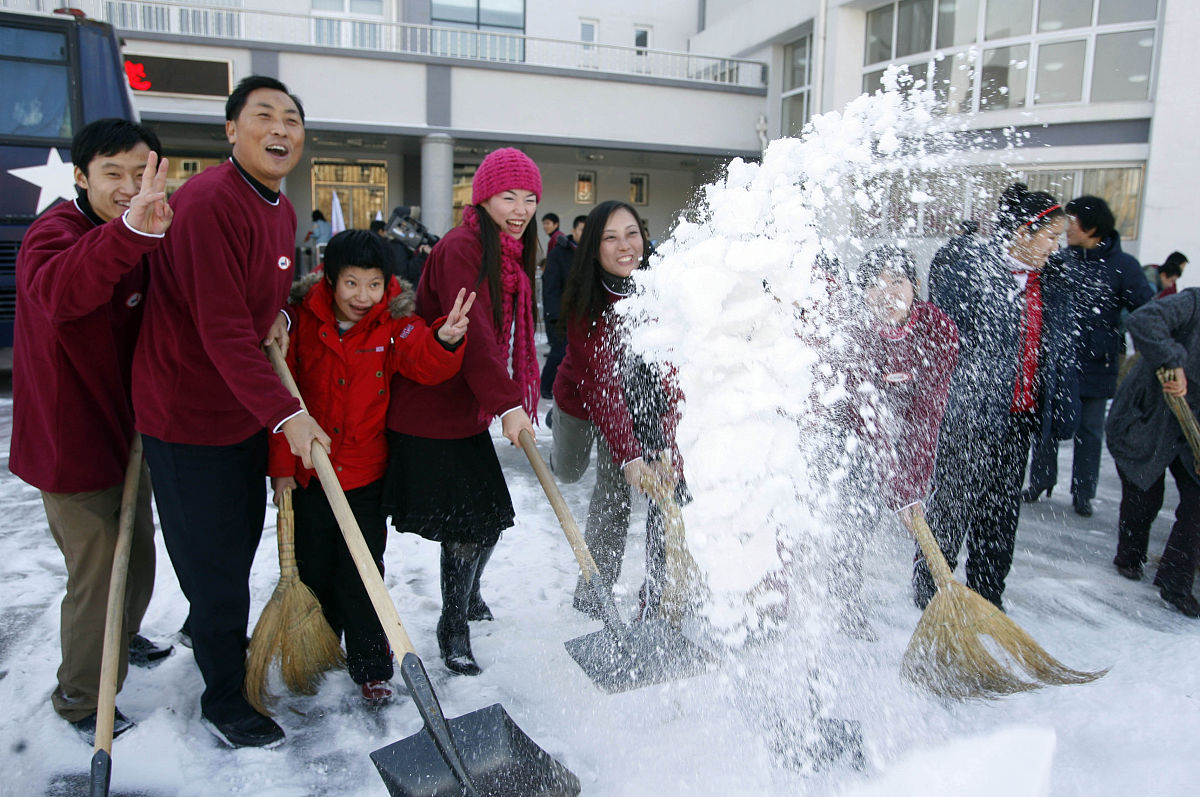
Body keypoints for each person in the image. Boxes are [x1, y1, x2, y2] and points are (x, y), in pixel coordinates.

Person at [133, 76, 330, 748]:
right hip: (186, 412)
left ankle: (210, 624)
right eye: (264, 115)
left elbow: (258, 301)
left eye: (293, 119)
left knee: (234, 544)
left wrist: (277, 314)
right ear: (230, 130)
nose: (282, 129)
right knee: (215, 562)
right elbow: (219, 326)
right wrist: (287, 413)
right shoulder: (210, 201)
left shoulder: (277, 206)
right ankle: (223, 696)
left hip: (238, 408)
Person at [10, 118, 174, 743]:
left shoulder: (151, 229)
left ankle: (122, 639)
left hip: (130, 432)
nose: (130, 188)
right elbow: (64, 291)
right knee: (99, 569)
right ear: (81, 177)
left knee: (135, 554)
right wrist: (132, 234)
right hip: (68, 442)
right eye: (113, 175)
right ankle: (80, 697)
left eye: (142, 174)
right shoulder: (54, 235)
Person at [268, 230, 472, 704]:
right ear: (330, 281)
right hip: (310, 475)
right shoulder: (299, 324)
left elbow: (423, 358)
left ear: (388, 285)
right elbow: (282, 399)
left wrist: (444, 339)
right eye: (352, 284)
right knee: (313, 570)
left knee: (363, 573)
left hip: (363, 478)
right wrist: (282, 469)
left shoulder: (391, 326)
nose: (363, 296)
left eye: (374, 285)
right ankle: (317, 651)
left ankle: (372, 666)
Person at [383, 147, 540, 676]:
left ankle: (467, 599)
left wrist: (500, 400)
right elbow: (472, 336)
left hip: (462, 409)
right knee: (470, 525)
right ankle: (454, 625)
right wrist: (507, 403)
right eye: (508, 196)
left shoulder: (507, 251)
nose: (520, 208)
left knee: (490, 519)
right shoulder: (462, 247)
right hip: (430, 411)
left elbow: (494, 339)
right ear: (484, 197)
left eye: (529, 197)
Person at [916, 184, 1078, 610]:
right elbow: (944, 331)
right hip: (971, 416)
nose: (1055, 247)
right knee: (952, 506)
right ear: (1024, 232)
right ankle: (931, 592)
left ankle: (989, 595)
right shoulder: (976, 270)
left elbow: (1055, 350)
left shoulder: (1050, 283)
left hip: (1019, 420)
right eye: (1049, 236)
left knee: (1000, 515)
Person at [551, 200, 685, 619]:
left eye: (632, 233)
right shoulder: (585, 304)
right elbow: (601, 385)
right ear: (594, 248)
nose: (625, 245)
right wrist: (630, 455)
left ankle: (596, 594)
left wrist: (662, 440)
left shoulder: (658, 287)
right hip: (582, 400)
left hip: (632, 405)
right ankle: (563, 446)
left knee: (614, 498)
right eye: (610, 237)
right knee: (569, 471)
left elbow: (670, 365)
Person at [1024, 195, 1153, 516]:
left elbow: (1147, 309)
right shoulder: (1061, 259)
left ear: (1092, 227)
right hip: (1057, 362)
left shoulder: (1123, 267)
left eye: (1074, 222)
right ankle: (1040, 481)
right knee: (1047, 424)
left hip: (1098, 364)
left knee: (1090, 433)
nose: (1066, 228)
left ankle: (1084, 492)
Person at [1106, 289, 1200, 618]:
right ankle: (1129, 557)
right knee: (1144, 495)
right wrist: (1174, 362)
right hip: (1146, 418)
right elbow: (1144, 319)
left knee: (1197, 503)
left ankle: (1176, 581)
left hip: (1191, 433)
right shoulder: (1193, 302)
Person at [540, 214, 586, 401]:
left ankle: (570, 387)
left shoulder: (591, 253)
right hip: (560, 314)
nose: (585, 234)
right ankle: (546, 386)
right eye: (582, 230)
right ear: (574, 230)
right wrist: (553, 314)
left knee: (577, 353)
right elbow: (549, 285)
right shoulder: (559, 253)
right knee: (559, 351)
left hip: (582, 314)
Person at [370, 217, 424, 287]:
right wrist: (421, 256)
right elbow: (404, 273)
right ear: (381, 231)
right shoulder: (395, 246)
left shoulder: (376, 246)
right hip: (401, 289)